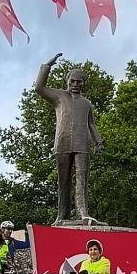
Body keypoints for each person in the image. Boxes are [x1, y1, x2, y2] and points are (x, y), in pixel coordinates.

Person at [36, 53, 104, 223]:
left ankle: (83, 213)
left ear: (83, 84)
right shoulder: (59, 96)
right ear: (67, 82)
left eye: (79, 81)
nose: (75, 84)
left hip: (82, 144)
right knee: (63, 181)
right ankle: (62, 214)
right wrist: (47, 66)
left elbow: (91, 124)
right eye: (72, 81)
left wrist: (99, 141)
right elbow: (39, 87)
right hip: (63, 143)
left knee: (82, 180)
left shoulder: (87, 103)